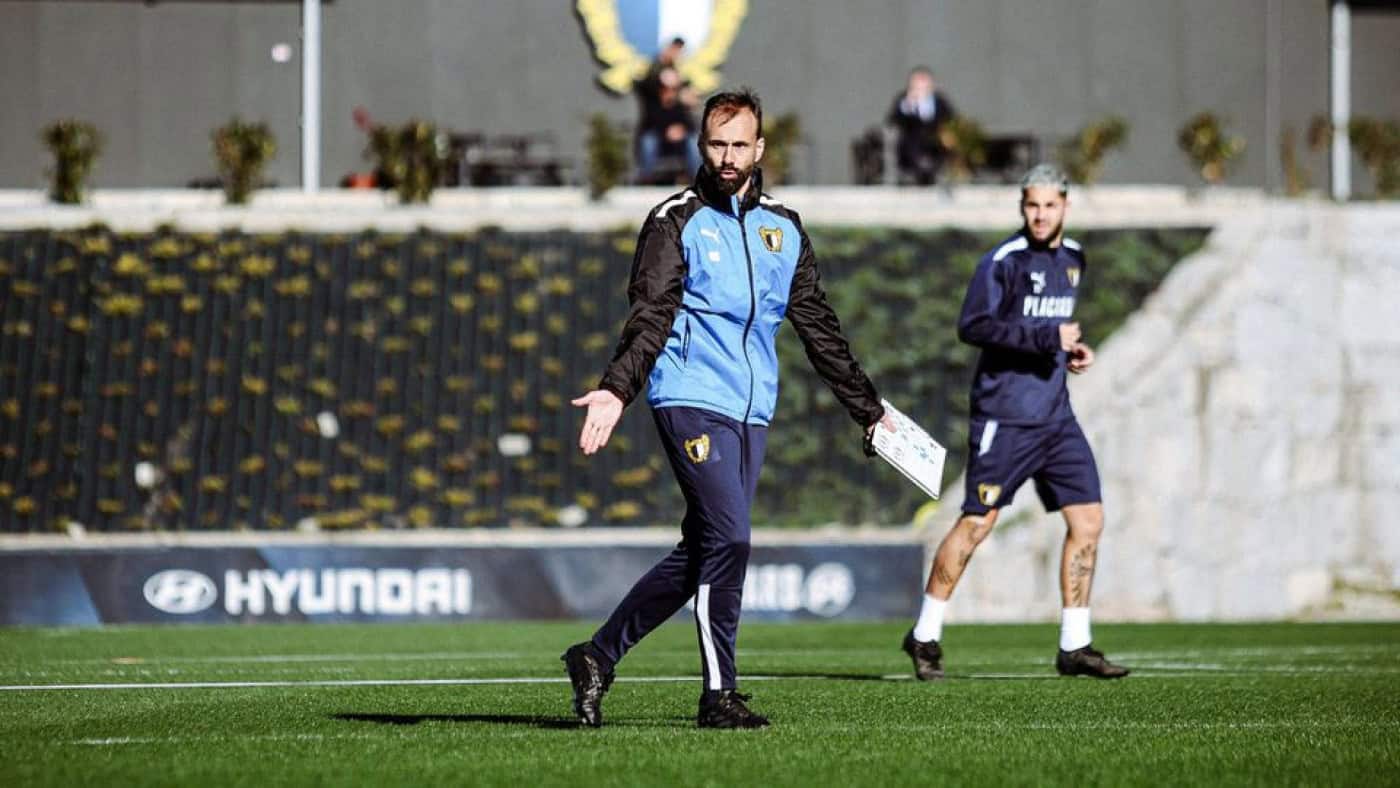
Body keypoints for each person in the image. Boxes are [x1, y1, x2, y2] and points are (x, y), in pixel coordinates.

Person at [564, 88, 894, 729]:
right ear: (701, 144)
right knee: (732, 538)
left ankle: (597, 655)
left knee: (706, 547)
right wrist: (617, 387)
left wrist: (869, 410)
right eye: (717, 143)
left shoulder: (784, 227)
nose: (728, 156)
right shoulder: (674, 220)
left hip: (752, 411)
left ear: (760, 148)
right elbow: (651, 314)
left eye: (740, 144)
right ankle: (719, 695)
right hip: (687, 396)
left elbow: (818, 328)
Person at [901, 164, 1129, 681]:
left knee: (1088, 521)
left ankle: (1076, 645)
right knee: (978, 524)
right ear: (1022, 207)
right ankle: (925, 633)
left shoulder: (1074, 259)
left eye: (1050, 205)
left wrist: (1068, 352)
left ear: (1066, 206)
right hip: (1005, 417)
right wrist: (1048, 341)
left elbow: (1051, 329)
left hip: (1056, 418)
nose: (1041, 214)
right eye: (1032, 205)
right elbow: (974, 326)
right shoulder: (1001, 262)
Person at [886, 66, 956, 185]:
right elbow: (892, 121)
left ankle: (930, 167)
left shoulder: (940, 101)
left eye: (924, 85)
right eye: (917, 85)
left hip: (936, 143)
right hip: (910, 144)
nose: (921, 89)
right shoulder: (902, 100)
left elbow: (951, 120)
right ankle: (922, 166)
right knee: (914, 140)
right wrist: (908, 106)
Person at [635, 67, 702, 183]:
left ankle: (697, 178)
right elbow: (651, 122)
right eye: (666, 88)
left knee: (693, 141)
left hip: (680, 140)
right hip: (659, 138)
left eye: (674, 88)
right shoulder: (652, 101)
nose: (670, 91)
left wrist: (682, 129)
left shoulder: (682, 103)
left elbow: (690, 124)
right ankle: (646, 178)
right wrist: (666, 131)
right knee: (648, 141)